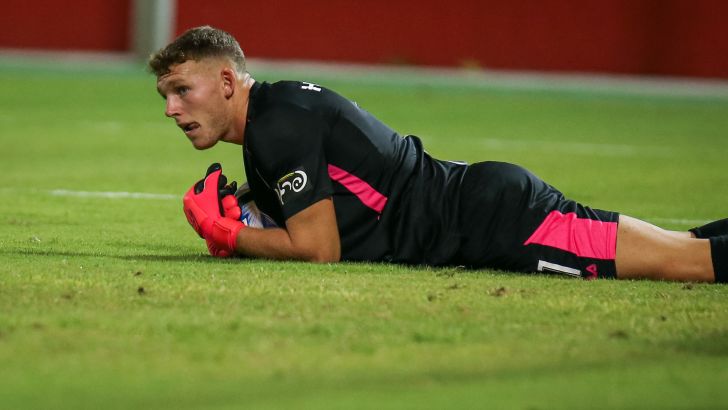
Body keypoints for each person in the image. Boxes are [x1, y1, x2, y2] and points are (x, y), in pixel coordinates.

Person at [149, 25, 727, 283]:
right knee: (686, 245)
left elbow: (318, 251)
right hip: (486, 206)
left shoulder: (277, 126)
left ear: (227, 81)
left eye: (182, 90)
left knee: (688, 264)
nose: (172, 108)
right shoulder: (276, 117)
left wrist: (227, 234)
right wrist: (249, 213)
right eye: (165, 96)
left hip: (495, 223)